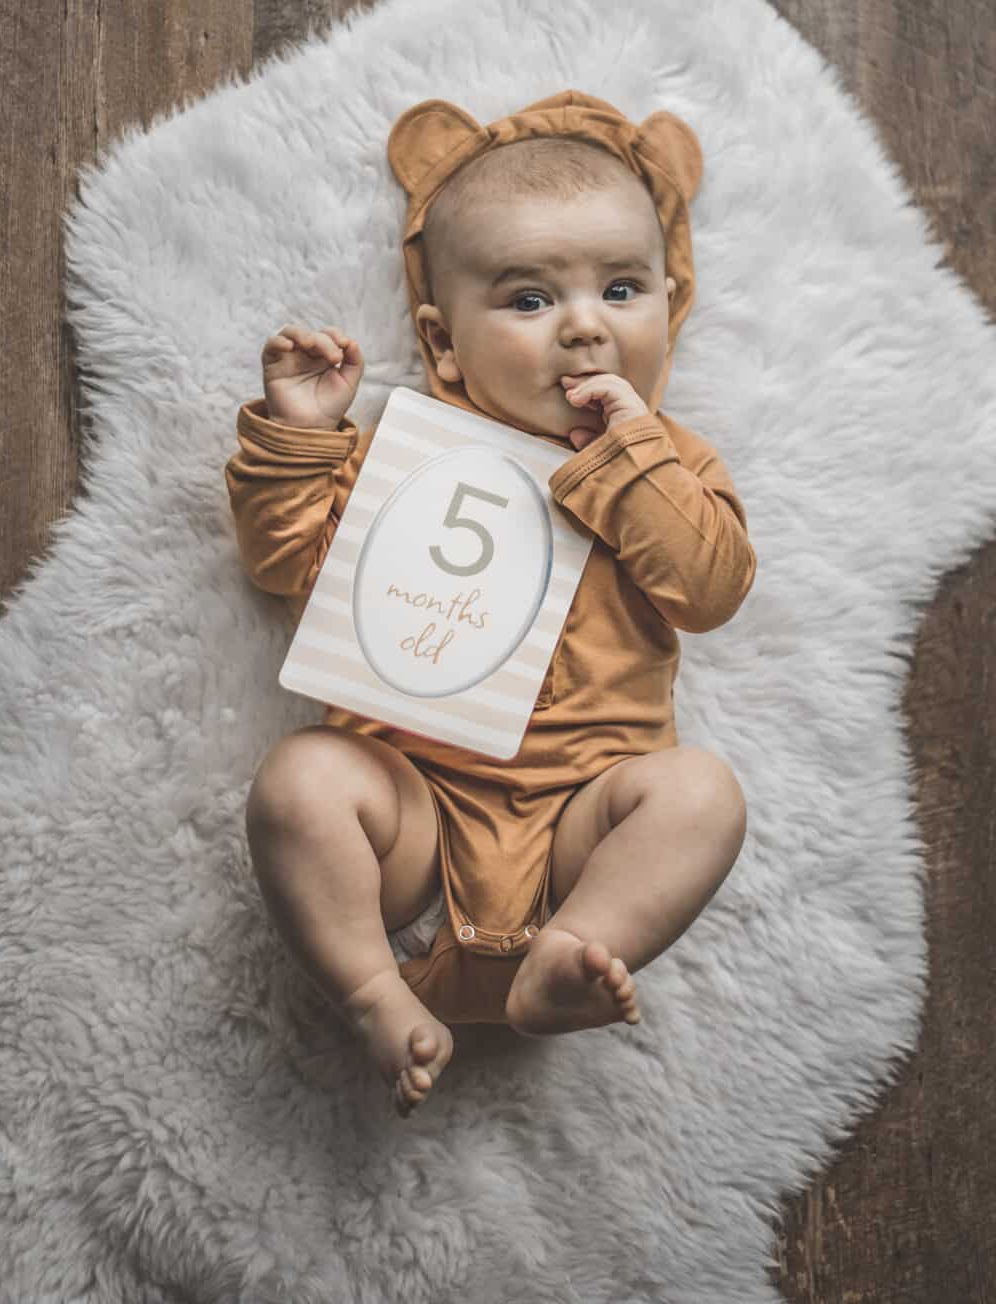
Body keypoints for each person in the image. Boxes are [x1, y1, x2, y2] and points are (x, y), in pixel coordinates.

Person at [225, 90, 757, 1119]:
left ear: (670, 303)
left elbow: (710, 588)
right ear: (444, 338)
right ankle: (373, 986)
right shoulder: (408, 454)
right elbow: (282, 562)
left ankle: (567, 956)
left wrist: (628, 457)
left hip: (582, 829)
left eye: (621, 287)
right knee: (300, 783)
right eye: (527, 299)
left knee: (701, 795)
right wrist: (299, 436)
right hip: (414, 825)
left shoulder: (672, 462)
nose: (584, 327)